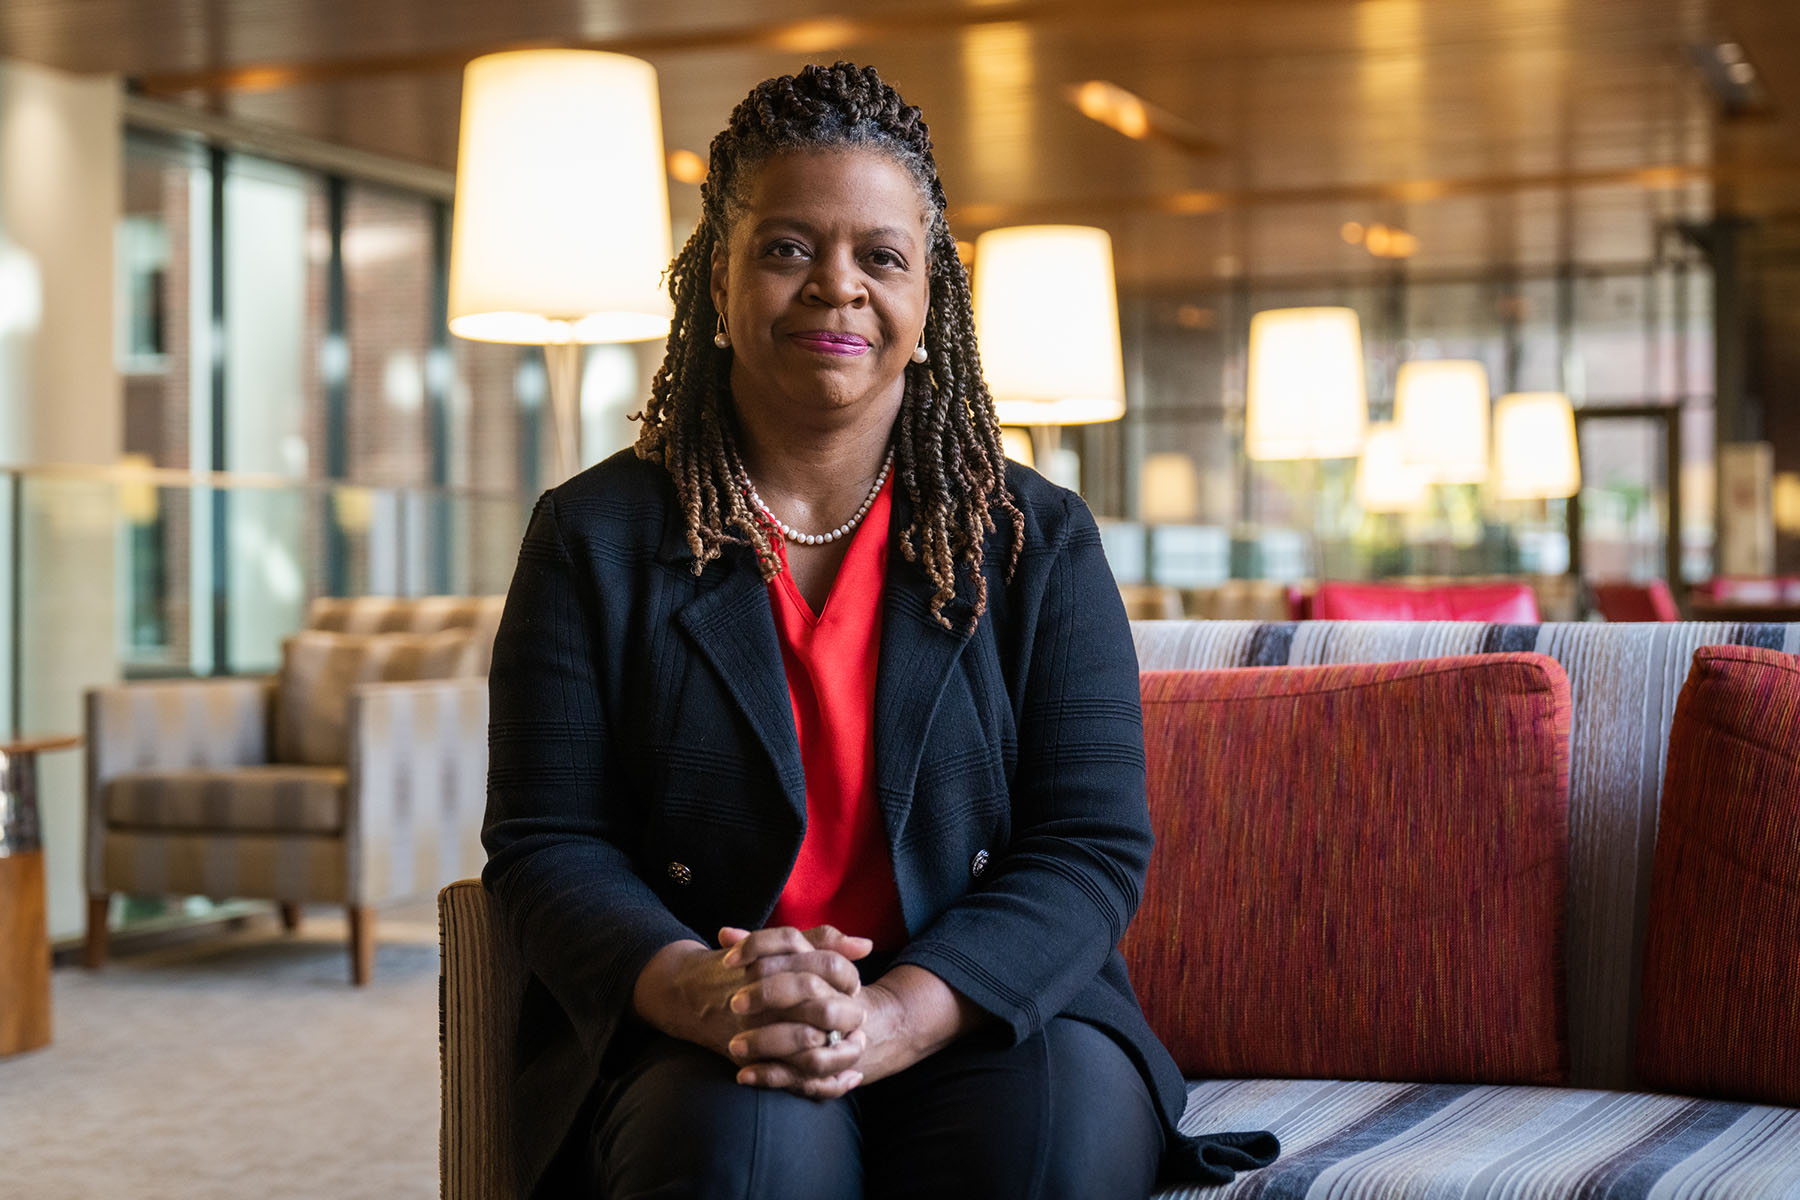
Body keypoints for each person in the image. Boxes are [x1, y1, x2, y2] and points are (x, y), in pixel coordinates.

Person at [482, 61, 1278, 1200]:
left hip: (991, 1009)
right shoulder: (592, 537)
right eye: (787, 247)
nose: (835, 288)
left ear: (929, 298)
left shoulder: (1035, 541)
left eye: (880, 256)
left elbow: (1090, 846)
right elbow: (546, 841)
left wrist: (902, 1013)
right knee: (743, 1165)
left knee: (1039, 1160)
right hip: (713, 1021)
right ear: (719, 278)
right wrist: (699, 991)